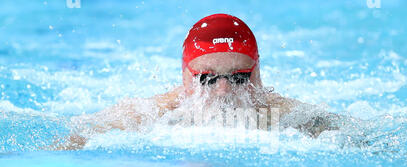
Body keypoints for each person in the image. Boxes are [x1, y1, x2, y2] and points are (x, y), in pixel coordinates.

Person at [57, 13, 341, 150]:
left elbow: (351, 133)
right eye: (207, 78)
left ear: (257, 74)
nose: (223, 90)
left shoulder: (282, 113)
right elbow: (81, 133)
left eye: (239, 77)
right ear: (185, 78)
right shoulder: (153, 113)